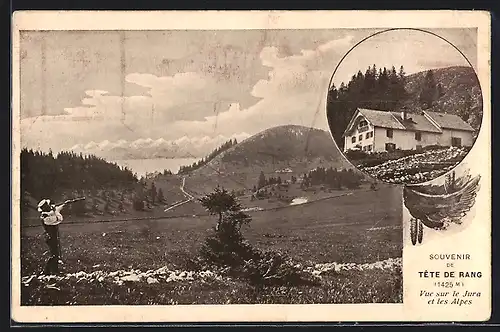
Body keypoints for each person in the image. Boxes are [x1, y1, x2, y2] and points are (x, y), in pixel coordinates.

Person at [37, 199, 66, 275]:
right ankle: (47, 271)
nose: (50, 206)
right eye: (48, 205)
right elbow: (59, 218)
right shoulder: (46, 218)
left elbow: (54, 211)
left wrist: (62, 206)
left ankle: (53, 271)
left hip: (51, 236)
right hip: (51, 237)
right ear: (45, 207)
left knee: (55, 254)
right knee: (54, 255)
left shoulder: (47, 214)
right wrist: (56, 211)